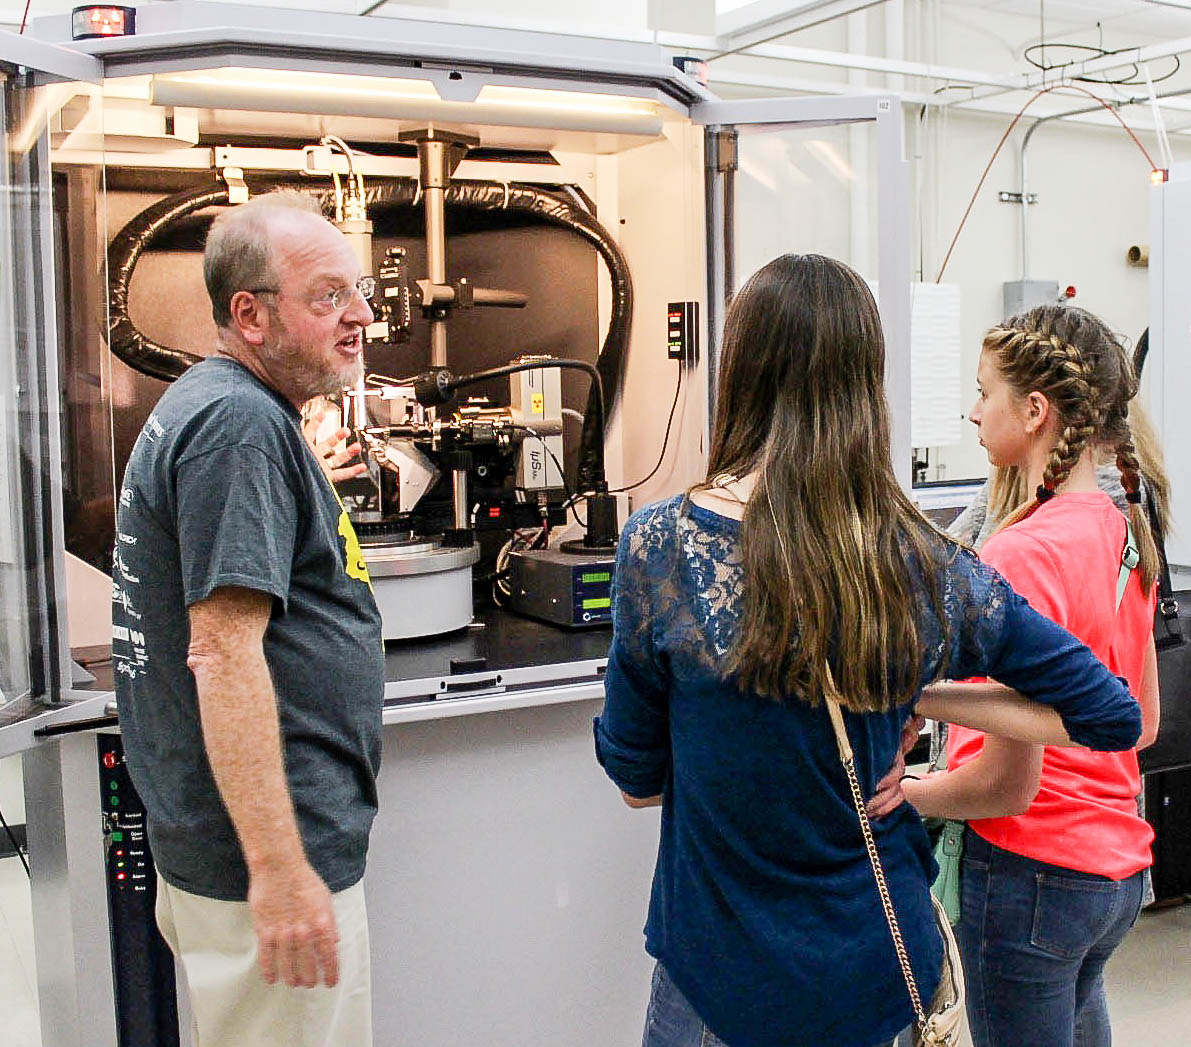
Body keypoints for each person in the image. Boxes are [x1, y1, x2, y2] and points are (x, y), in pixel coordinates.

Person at [593, 254, 1145, 1047]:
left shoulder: (662, 547)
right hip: (878, 968)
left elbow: (637, 782)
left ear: (739, 373)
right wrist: (916, 692)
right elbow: (1110, 715)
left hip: (717, 976)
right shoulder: (923, 564)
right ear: (865, 387)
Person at [111, 190, 381, 1047]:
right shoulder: (236, 425)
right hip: (263, 858)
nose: (362, 315)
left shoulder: (224, 405)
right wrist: (279, 870)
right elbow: (222, 654)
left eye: (358, 290)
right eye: (328, 295)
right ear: (250, 315)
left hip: (233, 847)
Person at [902, 305, 1160, 1047]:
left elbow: (1004, 785)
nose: (975, 409)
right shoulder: (1122, 530)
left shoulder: (1018, 553)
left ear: (1036, 410)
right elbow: (1138, 719)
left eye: (985, 391)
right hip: (1112, 875)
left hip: (1030, 870)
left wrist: (902, 795)